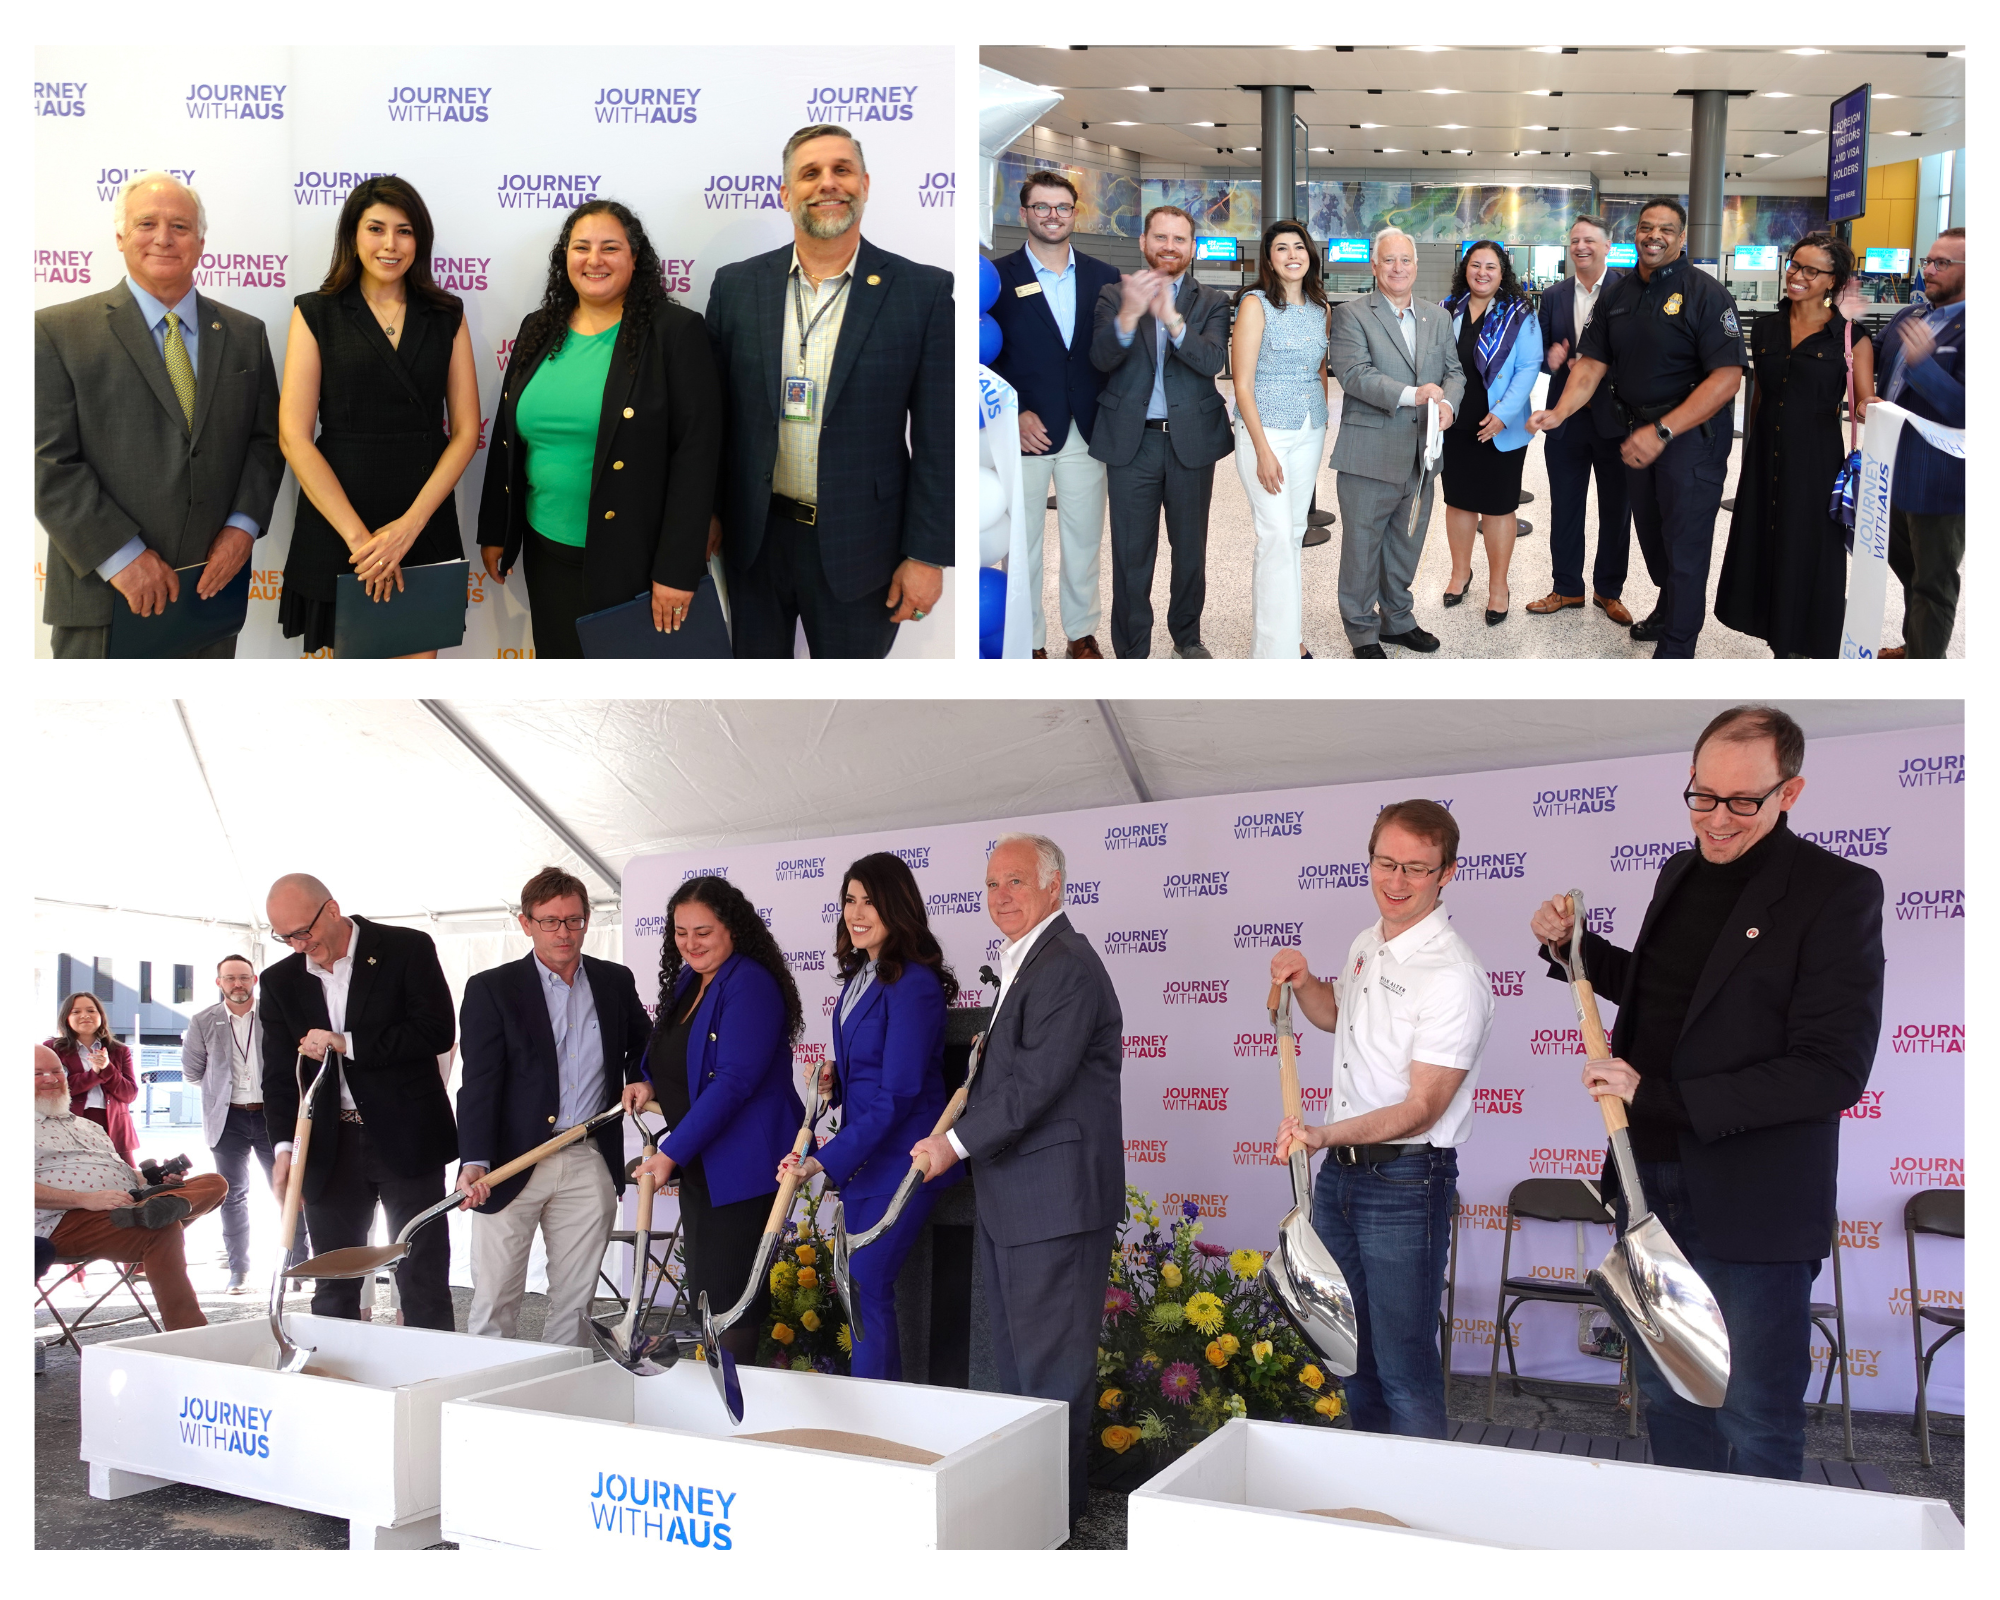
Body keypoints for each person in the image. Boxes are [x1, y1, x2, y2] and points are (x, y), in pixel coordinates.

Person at [1528, 705, 1884, 1480]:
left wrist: (1658, 1095)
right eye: (1701, 796)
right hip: (1646, 1183)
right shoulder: (1679, 870)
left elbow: (1832, 1069)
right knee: (1667, 1396)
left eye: (1742, 802)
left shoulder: (1838, 891)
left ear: (1790, 793)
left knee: (1755, 1419)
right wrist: (1573, 950)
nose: (1716, 821)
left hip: (1750, 1201)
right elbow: (1663, 997)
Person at [908, 834, 1123, 1529]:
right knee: (1026, 1382)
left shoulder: (1066, 966)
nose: (1001, 896)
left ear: (1054, 888)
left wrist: (953, 1145)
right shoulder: (1027, 962)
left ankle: (1053, 1528)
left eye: (1016, 883)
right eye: (992, 884)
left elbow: (1034, 1085)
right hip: (1022, 1206)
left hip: (1052, 1208)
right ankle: (1035, 1518)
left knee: (1051, 1383)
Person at [1269, 799, 1494, 1438]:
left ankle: (1418, 1519)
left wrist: (1320, 1135)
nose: (1396, 882)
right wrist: (1305, 980)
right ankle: (1372, 1498)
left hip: (1405, 1184)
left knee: (1403, 1368)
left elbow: (1424, 1107)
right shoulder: (1368, 941)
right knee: (1349, 1355)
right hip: (1340, 1182)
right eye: (1385, 863)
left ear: (1447, 873)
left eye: (1416, 870)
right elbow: (1338, 1017)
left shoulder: (1453, 975)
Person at [706, 125, 952, 658]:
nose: (827, 184)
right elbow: (712, 420)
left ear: (865, 183)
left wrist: (927, 555)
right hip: (754, 541)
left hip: (863, 547)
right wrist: (704, 513)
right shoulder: (736, 286)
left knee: (849, 709)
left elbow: (940, 437)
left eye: (841, 170)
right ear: (785, 193)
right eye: (809, 173)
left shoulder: (923, 292)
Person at [34, 170, 281, 657]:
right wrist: (121, 557)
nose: (164, 238)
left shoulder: (244, 333)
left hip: (209, 595)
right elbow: (47, 463)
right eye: (147, 223)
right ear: (121, 235)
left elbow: (267, 443)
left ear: (202, 242)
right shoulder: (58, 331)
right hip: (104, 599)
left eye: (181, 227)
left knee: (203, 733)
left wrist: (242, 530)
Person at [479, 200, 723, 659]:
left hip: (636, 561)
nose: (595, 260)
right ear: (564, 258)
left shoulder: (675, 331)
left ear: (635, 258)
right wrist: (497, 528)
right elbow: (509, 440)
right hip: (546, 551)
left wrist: (677, 569)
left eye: (610, 248)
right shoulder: (538, 329)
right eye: (581, 247)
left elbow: (697, 455)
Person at [1527, 198, 1748, 658]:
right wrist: (1560, 412)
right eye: (1647, 227)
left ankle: (1678, 647)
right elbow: (1589, 366)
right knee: (1653, 535)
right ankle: (1669, 611)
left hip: (1690, 439)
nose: (1654, 236)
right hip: (1635, 435)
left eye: (1666, 229)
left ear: (1682, 238)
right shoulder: (1619, 294)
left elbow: (1726, 378)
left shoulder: (1706, 293)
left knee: (1685, 545)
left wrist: (1663, 431)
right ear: (1635, 235)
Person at [277, 176, 480, 658]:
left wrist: (408, 527)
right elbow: (294, 437)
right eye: (376, 229)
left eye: (405, 231)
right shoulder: (316, 313)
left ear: (419, 240)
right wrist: (363, 543)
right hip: (337, 522)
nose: (390, 244)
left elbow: (467, 431)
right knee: (336, 703)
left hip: (421, 518)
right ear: (352, 235)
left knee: (413, 689)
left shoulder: (446, 314)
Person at [778, 852, 960, 1380]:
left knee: (866, 1285)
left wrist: (820, 1161)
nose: (856, 912)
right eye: (849, 900)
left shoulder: (914, 984)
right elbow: (872, 1071)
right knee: (860, 1290)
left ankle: (877, 1425)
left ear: (897, 907)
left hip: (903, 1160)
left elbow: (899, 1094)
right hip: (866, 1164)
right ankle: (878, 1420)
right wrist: (834, 1081)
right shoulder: (862, 975)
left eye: (870, 901)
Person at [455, 868, 653, 1347]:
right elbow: (477, 1081)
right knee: (496, 1297)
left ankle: (560, 1401)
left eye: (574, 920)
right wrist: (475, 1159)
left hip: (588, 1158)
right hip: (509, 1162)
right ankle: (481, 1403)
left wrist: (642, 1079)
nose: (564, 932)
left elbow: (643, 1047)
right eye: (550, 922)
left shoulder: (613, 981)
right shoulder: (491, 988)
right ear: (526, 924)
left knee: (577, 1303)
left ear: (587, 921)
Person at [259, 873, 457, 1329]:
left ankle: (432, 1385)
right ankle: (334, 1383)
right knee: (333, 1278)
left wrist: (347, 1042)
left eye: (303, 932)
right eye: (285, 936)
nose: (298, 945)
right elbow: (278, 1077)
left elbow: (436, 1031)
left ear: (332, 909)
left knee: (421, 1271)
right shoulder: (280, 980)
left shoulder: (406, 948)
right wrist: (285, 1151)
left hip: (407, 1135)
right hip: (328, 1144)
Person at [632, 877, 805, 1361]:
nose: (690, 943)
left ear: (733, 928)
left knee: (732, 1307)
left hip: (743, 1170)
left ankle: (736, 1419)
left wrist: (670, 1153)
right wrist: (648, 1082)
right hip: (707, 1167)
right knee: (709, 1300)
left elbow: (732, 1083)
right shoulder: (693, 978)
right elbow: (672, 1051)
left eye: (703, 931)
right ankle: (722, 1410)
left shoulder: (749, 982)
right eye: (681, 932)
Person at [1715, 234, 1875, 659]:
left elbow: (1862, 403)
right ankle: (1771, 630)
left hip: (1815, 458)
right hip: (1765, 452)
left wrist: (1874, 405)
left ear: (1833, 281)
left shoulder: (1849, 337)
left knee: (1806, 545)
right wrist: (1748, 451)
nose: (1796, 276)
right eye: (1794, 265)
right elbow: (1761, 397)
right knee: (1764, 539)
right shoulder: (1765, 327)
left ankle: (1802, 640)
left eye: (1811, 270)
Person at [1088, 205, 1234, 659]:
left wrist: (1171, 318)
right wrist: (1131, 315)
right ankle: (1132, 648)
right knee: (1131, 555)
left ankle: (1187, 637)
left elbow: (1212, 362)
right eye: (1161, 237)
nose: (1169, 247)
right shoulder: (1113, 295)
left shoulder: (1211, 301)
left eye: (1180, 239)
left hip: (1191, 442)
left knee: (1189, 550)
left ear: (1192, 247)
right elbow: (1100, 358)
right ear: (1143, 242)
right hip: (1131, 444)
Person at [987, 171, 1121, 659]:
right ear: (1023, 213)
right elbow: (983, 355)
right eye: (1041, 207)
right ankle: (1029, 639)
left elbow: (1111, 349)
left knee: (1083, 541)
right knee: (1019, 546)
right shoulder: (997, 278)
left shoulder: (1104, 276)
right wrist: (1015, 409)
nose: (1052, 216)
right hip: (1022, 431)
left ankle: (1080, 632)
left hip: (1086, 429)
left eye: (1062, 207)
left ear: (1074, 212)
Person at [1328, 228, 1465, 659]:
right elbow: (1354, 374)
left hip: (1422, 454)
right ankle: (1362, 629)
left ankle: (1398, 619)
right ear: (1374, 265)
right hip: (1369, 452)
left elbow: (1454, 373)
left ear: (1416, 265)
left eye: (1406, 259)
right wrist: (1415, 395)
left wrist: (1449, 407)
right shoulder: (1352, 314)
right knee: (1362, 546)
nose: (1398, 268)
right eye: (1389, 260)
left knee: (1406, 542)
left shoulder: (1437, 316)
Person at [36, 1045, 229, 1332]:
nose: (52, 1079)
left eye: (56, 1071)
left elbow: (123, 1175)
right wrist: (86, 1200)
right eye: (38, 1073)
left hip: (127, 1203)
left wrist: (155, 1181)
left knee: (215, 1182)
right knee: (163, 1230)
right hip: (66, 1220)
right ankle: (189, 1333)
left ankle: (155, 1207)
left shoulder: (88, 1126)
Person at [1527, 215, 1642, 627]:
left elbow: (1640, 355)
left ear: (1608, 246)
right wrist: (1552, 360)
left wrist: (1595, 367)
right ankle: (1567, 587)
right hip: (1566, 421)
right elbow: (1540, 348)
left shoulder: (1631, 290)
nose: (1581, 247)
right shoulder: (1555, 295)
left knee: (1616, 509)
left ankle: (1608, 592)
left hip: (1615, 420)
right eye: (1574, 240)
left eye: (1589, 240)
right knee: (1566, 507)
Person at [1230, 220, 1332, 659]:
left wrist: (1322, 424)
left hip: (1309, 428)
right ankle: (1273, 655)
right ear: (1268, 259)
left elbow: (1321, 370)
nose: (1292, 255)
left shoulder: (1319, 306)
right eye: (1281, 249)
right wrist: (1262, 450)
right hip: (1266, 431)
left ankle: (1289, 638)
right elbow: (1242, 384)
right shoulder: (1254, 304)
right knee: (1273, 536)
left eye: (1299, 247)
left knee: (1292, 534)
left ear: (1309, 254)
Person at [180, 955, 305, 1293]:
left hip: (272, 1115)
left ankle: (300, 1264)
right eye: (230, 978)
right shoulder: (203, 1020)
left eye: (244, 977)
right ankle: (239, 1270)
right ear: (218, 982)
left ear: (255, 980)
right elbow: (192, 1072)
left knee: (289, 1190)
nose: (238, 984)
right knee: (232, 1195)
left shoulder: (273, 1013)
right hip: (228, 1118)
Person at [1438, 241, 1543, 626]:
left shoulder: (1521, 313)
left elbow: (1529, 366)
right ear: (1465, 268)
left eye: (1491, 267)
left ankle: (1499, 586)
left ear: (1503, 273)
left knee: (1499, 505)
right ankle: (1460, 573)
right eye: (1476, 265)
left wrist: (1502, 414)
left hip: (1500, 425)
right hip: (1456, 423)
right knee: (1459, 501)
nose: (1483, 272)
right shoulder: (1447, 309)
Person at [1871, 229, 1965, 658]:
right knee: (1907, 569)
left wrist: (1924, 367)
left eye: (1942, 263)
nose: (1929, 270)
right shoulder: (1912, 313)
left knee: (1934, 581)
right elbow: (1874, 351)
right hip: (1891, 469)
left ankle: (1927, 666)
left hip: (1940, 480)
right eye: (1929, 260)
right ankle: (1915, 646)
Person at [47, 992, 139, 1164]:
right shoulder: (52, 1049)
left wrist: (107, 1068)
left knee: (130, 1181)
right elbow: (56, 1090)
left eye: (91, 1010)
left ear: (100, 1016)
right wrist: (94, 1074)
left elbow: (129, 1095)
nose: (85, 1015)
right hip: (72, 1125)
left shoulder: (119, 1050)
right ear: (66, 1017)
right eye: (76, 1012)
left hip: (114, 1128)